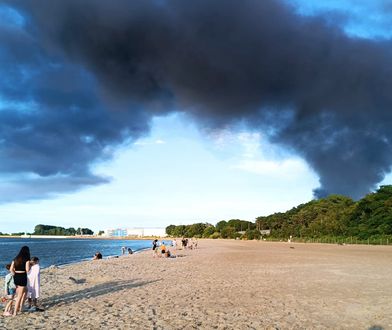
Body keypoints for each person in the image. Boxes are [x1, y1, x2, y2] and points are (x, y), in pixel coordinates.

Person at [10, 246, 31, 316]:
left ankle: (21, 307)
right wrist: (30, 266)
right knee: (19, 296)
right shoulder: (27, 259)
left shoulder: (15, 259)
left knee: (26, 290)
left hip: (16, 277)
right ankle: (15, 312)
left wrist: (14, 275)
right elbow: (27, 270)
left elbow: (11, 269)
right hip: (22, 277)